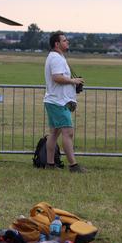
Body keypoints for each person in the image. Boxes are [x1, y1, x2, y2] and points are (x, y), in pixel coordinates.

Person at [43, 32, 86, 173]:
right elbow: (57, 77)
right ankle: (73, 166)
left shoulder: (57, 57)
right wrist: (73, 81)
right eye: (65, 40)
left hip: (56, 100)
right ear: (57, 44)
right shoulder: (56, 58)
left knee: (54, 133)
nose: (67, 42)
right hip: (57, 101)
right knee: (68, 132)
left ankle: (50, 164)